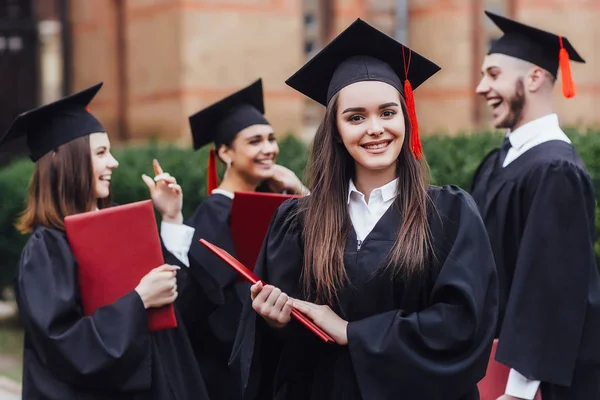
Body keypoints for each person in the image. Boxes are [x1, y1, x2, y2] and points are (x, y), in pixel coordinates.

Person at [230, 19, 499, 400]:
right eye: (356, 117)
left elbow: (462, 326)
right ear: (336, 130)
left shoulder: (449, 214)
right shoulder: (298, 223)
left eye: (388, 113)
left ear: (406, 118)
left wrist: (351, 332)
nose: (375, 128)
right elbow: (282, 357)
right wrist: (276, 323)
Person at [2, 82, 217, 399]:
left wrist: (171, 219)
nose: (113, 162)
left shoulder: (119, 227)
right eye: (101, 152)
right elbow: (66, 345)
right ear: (66, 161)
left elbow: (178, 308)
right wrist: (138, 300)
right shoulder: (47, 248)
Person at [471, 11, 600, 400]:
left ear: (534, 77)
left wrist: (518, 391)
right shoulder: (499, 162)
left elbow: (551, 286)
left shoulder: (556, 169)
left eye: (492, 74)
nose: (480, 87)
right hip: (490, 368)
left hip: (537, 384)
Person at [167, 78, 307, 400]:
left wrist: (300, 191)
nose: (269, 148)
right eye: (255, 141)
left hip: (277, 355)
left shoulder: (280, 204)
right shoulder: (214, 213)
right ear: (226, 153)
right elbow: (209, 303)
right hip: (232, 372)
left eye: (271, 139)